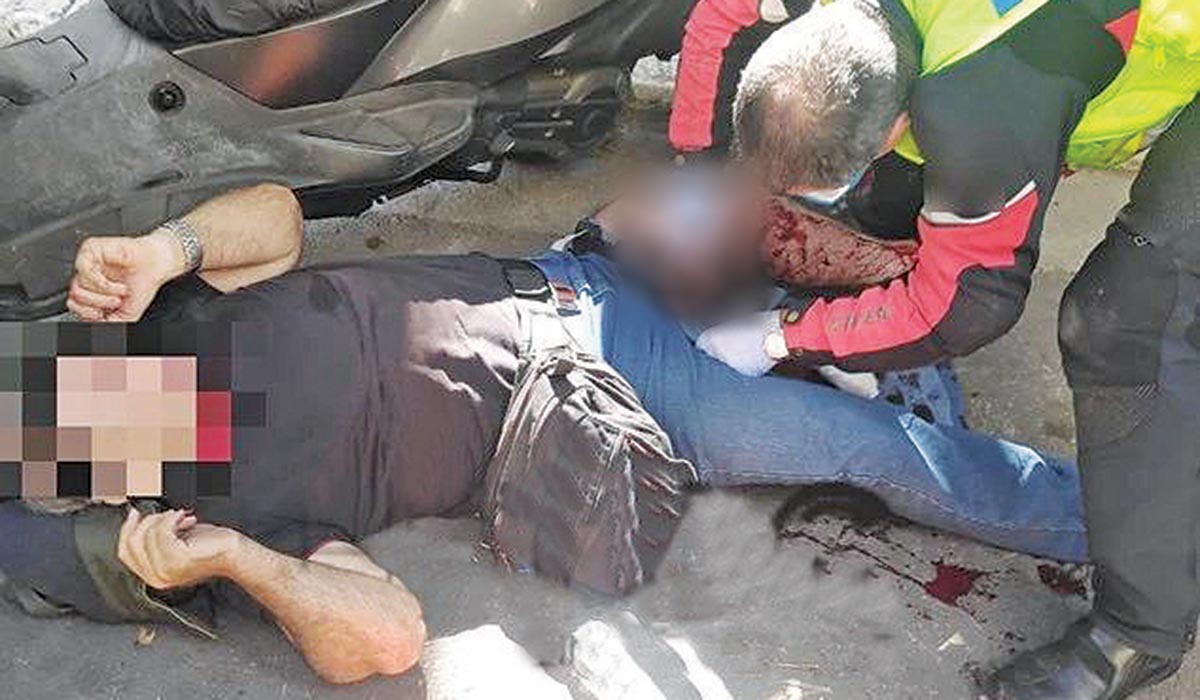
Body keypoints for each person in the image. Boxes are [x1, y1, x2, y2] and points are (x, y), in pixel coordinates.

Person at [1, 175, 1083, 683]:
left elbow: (279, 214)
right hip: (612, 391)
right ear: (80, 475)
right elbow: (386, 635)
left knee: (743, 183)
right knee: (874, 454)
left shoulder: (175, 313)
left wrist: (169, 248)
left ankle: (904, 312)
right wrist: (235, 561)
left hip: (579, 268)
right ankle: (1117, 524)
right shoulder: (229, 520)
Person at [697, 1, 1200, 698]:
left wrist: (785, 334)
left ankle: (1140, 631)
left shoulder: (977, 102)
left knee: (1127, 319)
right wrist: (696, 160)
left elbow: (966, 307)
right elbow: (715, 14)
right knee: (897, 203)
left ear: (897, 127)